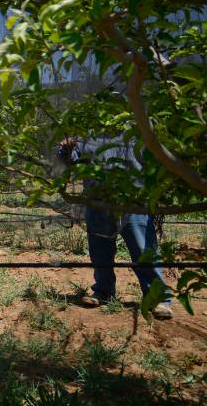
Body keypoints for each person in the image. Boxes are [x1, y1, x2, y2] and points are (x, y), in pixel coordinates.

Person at [57, 137, 172, 319]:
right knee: (100, 250)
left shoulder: (137, 129)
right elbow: (71, 160)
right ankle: (103, 291)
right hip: (98, 202)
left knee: (144, 250)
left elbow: (156, 163)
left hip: (134, 203)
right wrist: (66, 148)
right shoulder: (86, 132)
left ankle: (158, 298)